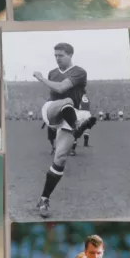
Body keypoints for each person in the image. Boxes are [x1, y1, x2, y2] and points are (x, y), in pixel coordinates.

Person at [34, 43, 97, 218]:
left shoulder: (79, 72)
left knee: (60, 158)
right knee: (66, 101)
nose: (57, 58)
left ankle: (44, 199)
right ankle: (78, 126)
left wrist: (40, 78)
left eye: (60, 55)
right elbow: (55, 95)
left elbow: (61, 87)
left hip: (71, 115)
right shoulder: (53, 73)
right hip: (53, 110)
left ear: (70, 55)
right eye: (55, 55)